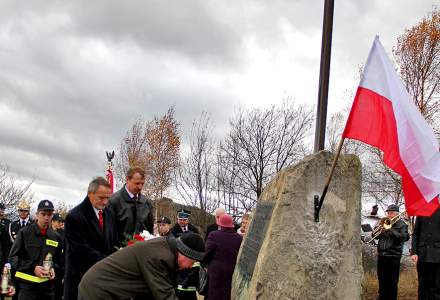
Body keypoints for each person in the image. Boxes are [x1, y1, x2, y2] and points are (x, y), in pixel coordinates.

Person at [78, 233, 205, 300]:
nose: (191, 266)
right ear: (183, 254)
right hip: (98, 289)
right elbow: (164, 295)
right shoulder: (159, 257)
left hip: (107, 289)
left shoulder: (167, 249)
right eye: (192, 261)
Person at [63, 177, 116, 300]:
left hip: (103, 279)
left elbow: (112, 241)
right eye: (101, 197)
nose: (105, 202)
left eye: (108, 198)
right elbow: (81, 249)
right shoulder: (75, 216)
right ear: (90, 194)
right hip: (81, 278)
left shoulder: (109, 213)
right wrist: (109, 261)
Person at [9, 200, 63, 300]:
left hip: (47, 288)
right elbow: (13, 258)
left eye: (49, 214)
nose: (46, 217)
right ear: (37, 214)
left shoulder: (56, 237)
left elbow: (60, 261)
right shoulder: (24, 233)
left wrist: (53, 269)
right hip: (27, 288)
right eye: (43, 214)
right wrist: (33, 268)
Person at [108, 167, 154, 247]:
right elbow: (109, 233)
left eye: (142, 184)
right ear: (127, 180)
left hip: (142, 252)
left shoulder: (146, 203)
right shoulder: (113, 202)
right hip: (120, 253)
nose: (140, 187)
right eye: (137, 183)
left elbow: (150, 230)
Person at [203, 214, 243, 300]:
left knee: (214, 294)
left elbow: (207, 253)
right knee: (226, 294)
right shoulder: (239, 238)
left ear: (220, 224)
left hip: (215, 271)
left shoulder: (214, 235)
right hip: (231, 271)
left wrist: (203, 264)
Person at [374, 204, 409, 300]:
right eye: (388, 213)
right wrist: (378, 229)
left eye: (391, 213)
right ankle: (382, 297)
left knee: (392, 282)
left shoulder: (402, 225)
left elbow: (403, 238)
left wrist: (390, 229)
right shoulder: (384, 223)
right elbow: (375, 236)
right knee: (382, 280)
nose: (389, 215)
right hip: (381, 256)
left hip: (393, 256)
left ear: (397, 214)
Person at [411, 205, 440, 299]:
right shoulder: (422, 210)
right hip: (422, 254)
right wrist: (414, 252)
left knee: (436, 286)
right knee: (423, 285)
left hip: (437, 255)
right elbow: (416, 233)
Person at [51, 213, 65, 300]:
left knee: (58, 294)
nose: (60, 223)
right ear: (52, 221)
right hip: (48, 266)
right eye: (58, 221)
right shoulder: (47, 232)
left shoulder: (63, 233)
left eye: (62, 221)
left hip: (59, 268)